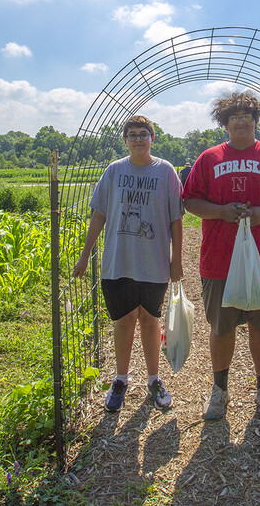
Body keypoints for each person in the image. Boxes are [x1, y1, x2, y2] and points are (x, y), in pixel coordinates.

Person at [182, 91, 260, 420]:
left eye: (247, 115)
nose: (241, 120)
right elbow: (190, 200)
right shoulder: (209, 159)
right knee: (221, 328)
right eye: (233, 116)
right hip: (220, 259)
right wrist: (221, 212)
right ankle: (219, 392)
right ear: (224, 124)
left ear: (255, 120)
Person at [73, 115, 184, 412]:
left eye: (143, 134)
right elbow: (98, 215)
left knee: (149, 320)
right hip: (117, 261)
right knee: (123, 321)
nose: (138, 139)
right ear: (125, 140)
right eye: (132, 135)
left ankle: (153, 379)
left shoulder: (166, 172)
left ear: (153, 138)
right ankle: (120, 380)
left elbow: (176, 219)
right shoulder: (114, 171)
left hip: (154, 262)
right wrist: (85, 255)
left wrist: (177, 259)